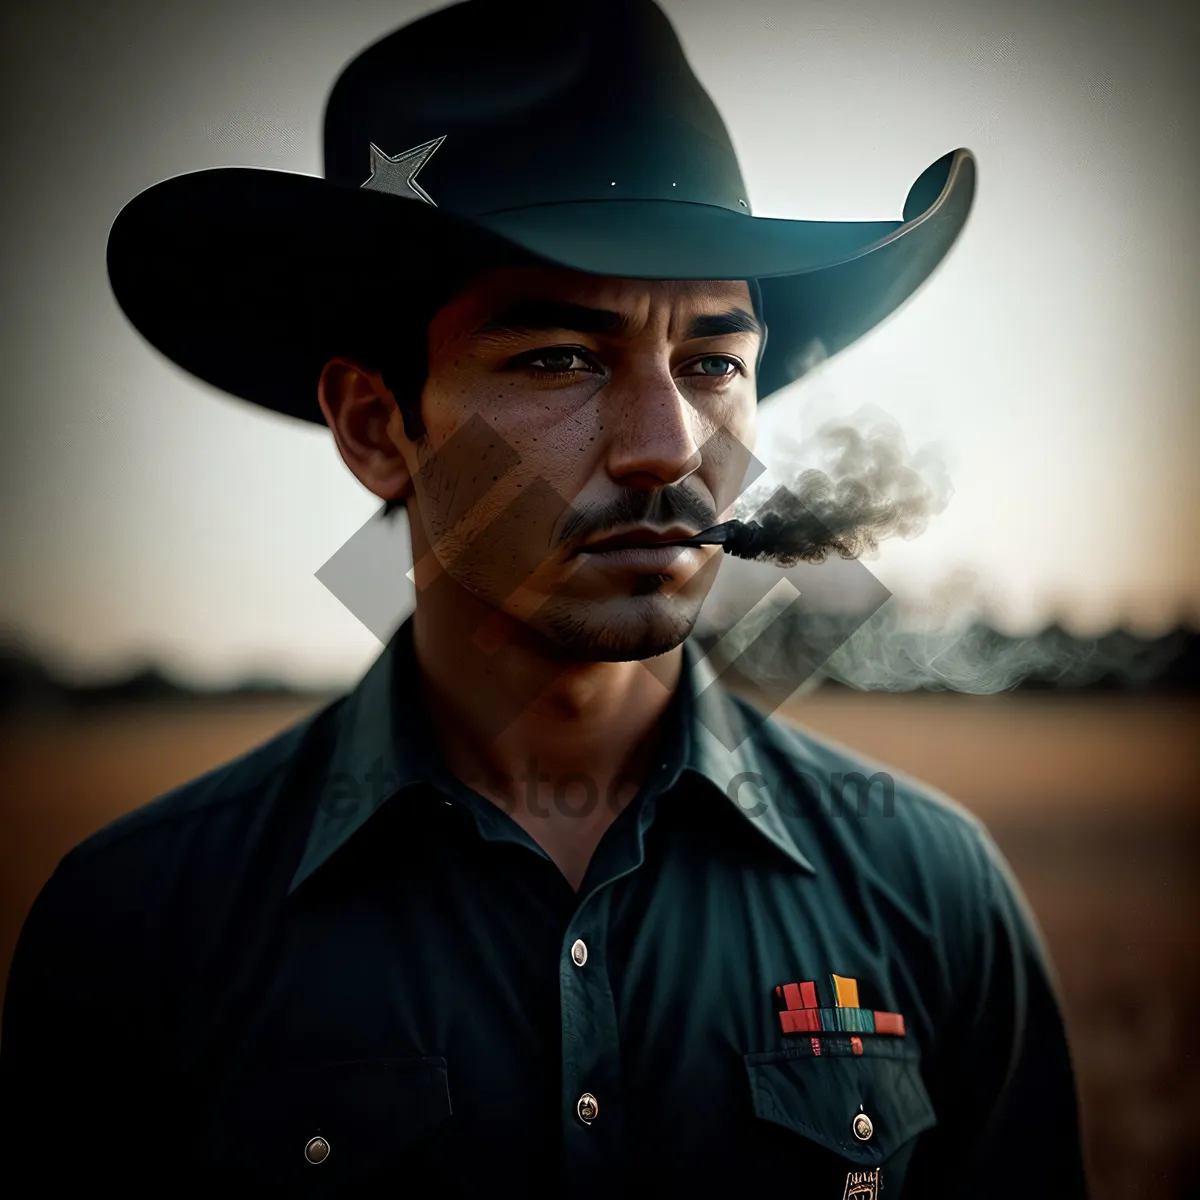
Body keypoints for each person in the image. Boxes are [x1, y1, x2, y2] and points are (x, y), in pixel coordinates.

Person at [0, 1, 1091, 1195]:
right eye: (560, 359)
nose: (666, 449)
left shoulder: (935, 894)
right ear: (377, 428)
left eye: (714, 361)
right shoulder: (140, 927)